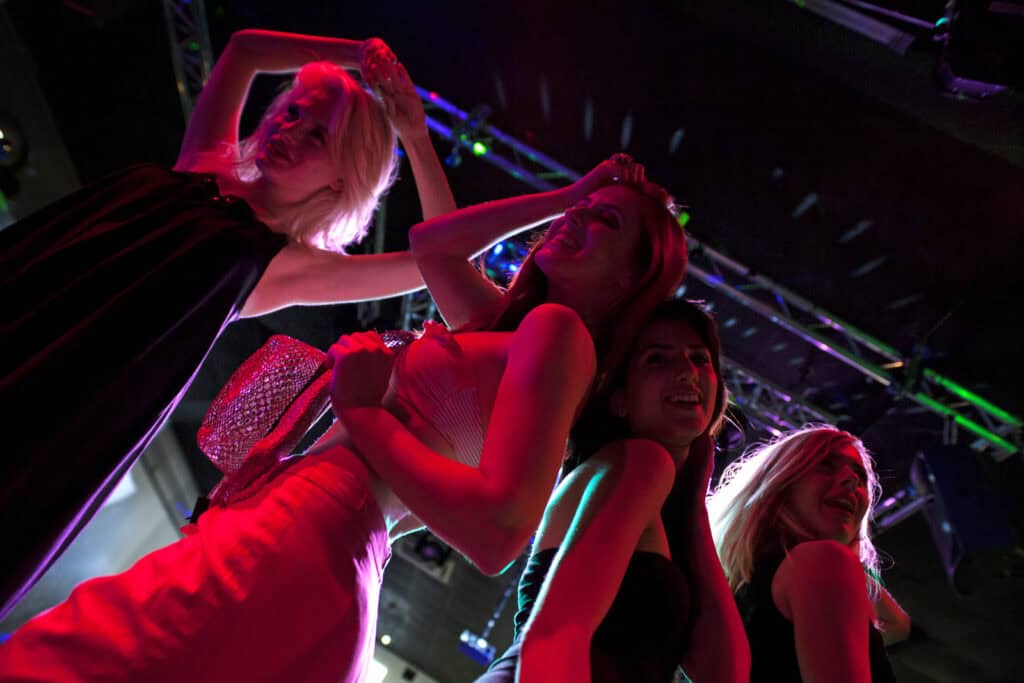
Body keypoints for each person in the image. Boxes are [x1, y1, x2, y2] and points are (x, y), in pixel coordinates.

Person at [0, 156, 687, 682]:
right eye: (584, 209)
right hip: (313, 530)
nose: (576, 221)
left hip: (314, 527)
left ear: (633, 277)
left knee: (75, 659)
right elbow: (432, 245)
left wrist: (364, 412)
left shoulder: (560, 336)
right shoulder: (511, 329)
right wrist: (569, 195)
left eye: (607, 222)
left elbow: (500, 529)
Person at [0, 29, 455, 618]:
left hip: (76, 378)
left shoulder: (280, 264)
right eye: (291, 113)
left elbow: (441, 257)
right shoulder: (201, 165)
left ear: (341, 180)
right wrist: (364, 57)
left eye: (316, 134)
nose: (287, 129)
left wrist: (415, 135)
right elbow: (245, 51)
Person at [475, 298, 750, 683]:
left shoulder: (661, 501)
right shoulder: (635, 462)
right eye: (657, 359)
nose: (687, 372)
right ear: (619, 398)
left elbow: (725, 673)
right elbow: (555, 636)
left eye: (699, 359)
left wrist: (694, 500)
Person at [707, 425, 910, 682]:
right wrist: (836, 562)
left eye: (860, 478)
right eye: (826, 465)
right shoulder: (819, 562)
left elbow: (897, 626)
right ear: (779, 481)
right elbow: (897, 625)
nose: (851, 481)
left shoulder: (738, 594)